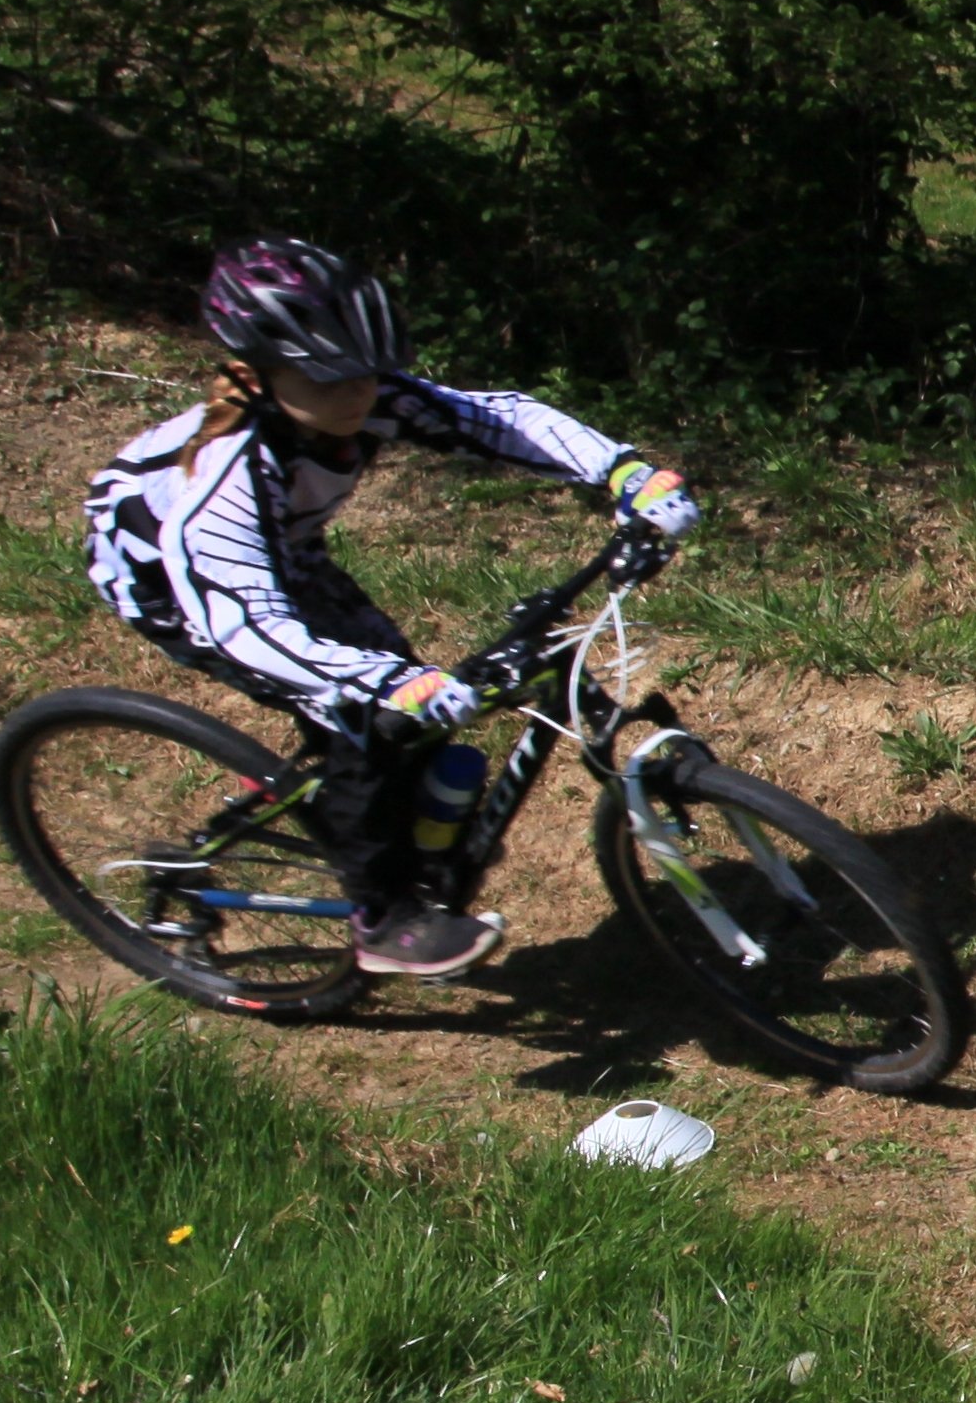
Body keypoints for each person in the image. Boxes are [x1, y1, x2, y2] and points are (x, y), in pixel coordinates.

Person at [81, 237, 702, 977]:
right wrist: (377, 686)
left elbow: (495, 420)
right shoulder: (225, 480)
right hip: (177, 588)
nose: (359, 394)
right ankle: (384, 918)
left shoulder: (364, 393)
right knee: (371, 717)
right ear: (256, 372)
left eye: (369, 374)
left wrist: (623, 470)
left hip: (286, 558)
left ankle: (367, 814)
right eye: (332, 378)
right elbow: (244, 622)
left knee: (407, 720)